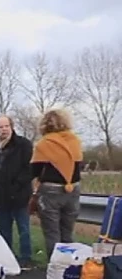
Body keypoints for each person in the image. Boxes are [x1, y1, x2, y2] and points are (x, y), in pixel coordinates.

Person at [30, 109, 83, 261]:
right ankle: (69, 268)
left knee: (52, 233)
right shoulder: (75, 141)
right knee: (67, 232)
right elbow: (78, 166)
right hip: (73, 189)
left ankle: (55, 269)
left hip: (50, 191)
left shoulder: (44, 144)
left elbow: (34, 170)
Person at [0, 115, 34, 268]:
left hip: (19, 194)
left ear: (11, 127)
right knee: (4, 229)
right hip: (0, 195)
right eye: (1, 127)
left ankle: (26, 258)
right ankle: (7, 257)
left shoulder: (23, 144)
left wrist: (17, 185)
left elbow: (29, 168)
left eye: (6, 126)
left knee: (23, 228)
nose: (4, 129)